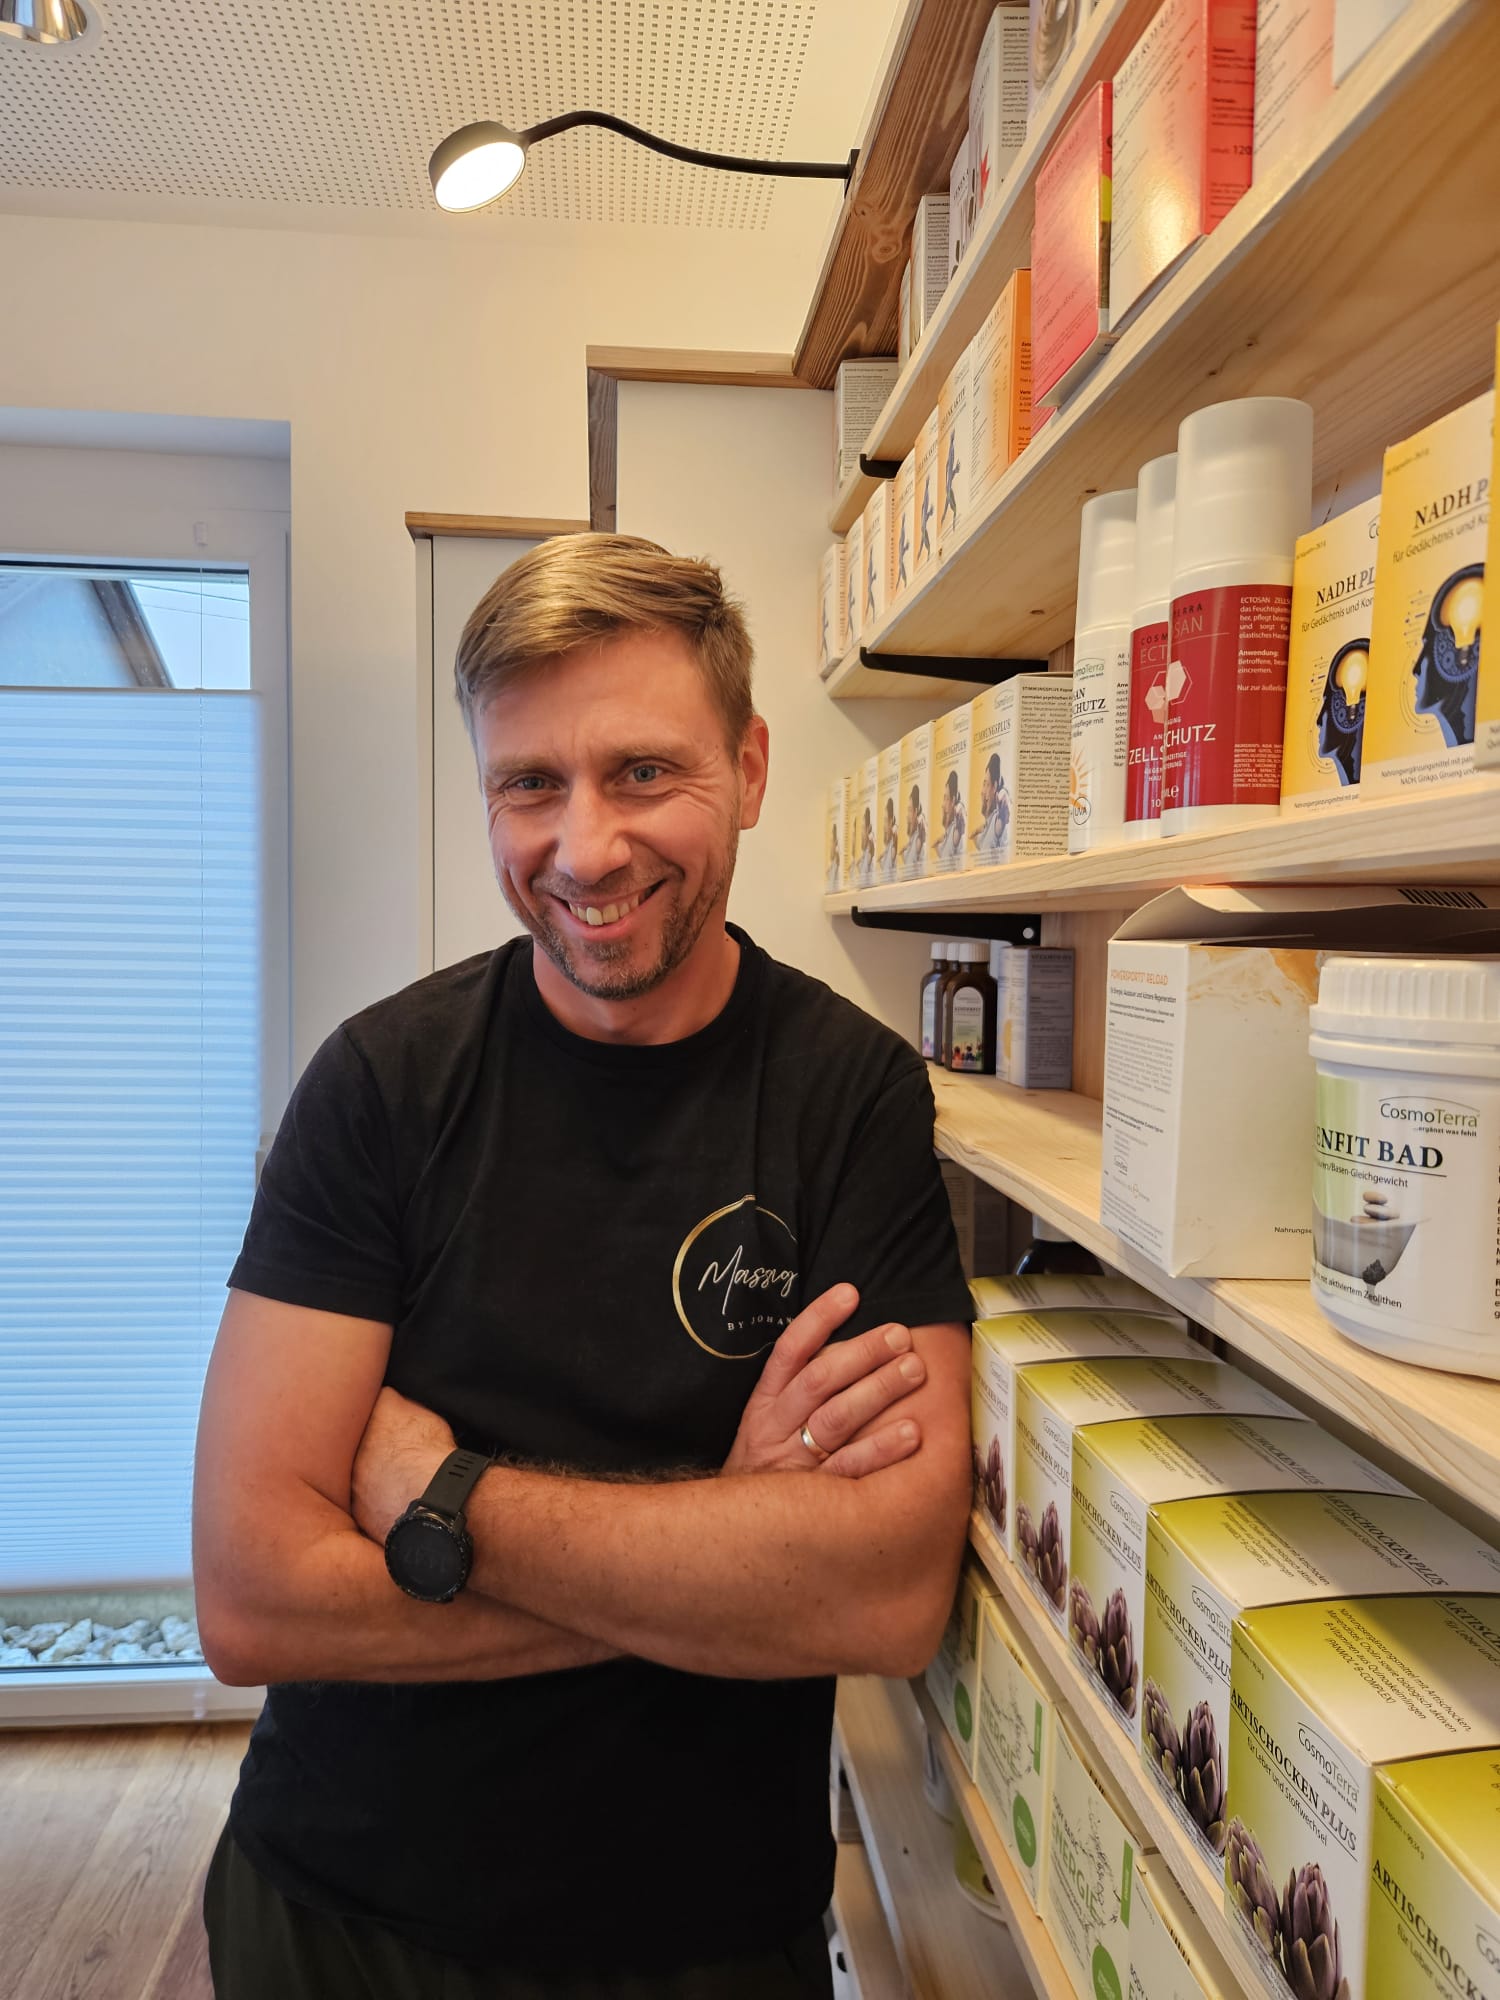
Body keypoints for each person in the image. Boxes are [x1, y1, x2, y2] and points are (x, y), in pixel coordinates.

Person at [192, 533, 974, 2000]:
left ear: (749, 767)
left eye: (643, 771)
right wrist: (729, 1542)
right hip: (342, 1920)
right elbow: (252, 1600)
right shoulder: (380, 1085)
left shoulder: (849, 1095)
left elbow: (881, 1596)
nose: (586, 847)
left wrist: (437, 1500)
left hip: (704, 1937)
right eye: (530, 784)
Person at [972, 753, 1010, 858]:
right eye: (983, 784)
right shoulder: (987, 829)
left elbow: (1000, 821)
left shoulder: (996, 821)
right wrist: (980, 828)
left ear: (995, 787)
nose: (982, 791)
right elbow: (974, 837)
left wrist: (1002, 811)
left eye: (987, 784)